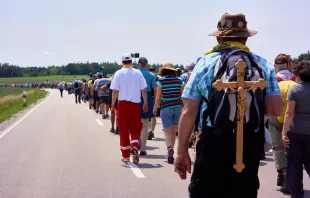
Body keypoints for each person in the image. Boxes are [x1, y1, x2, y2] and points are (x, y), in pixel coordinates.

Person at [175, 13, 283, 198]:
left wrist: (181, 152)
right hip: (249, 142)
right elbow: (275, 109)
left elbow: (188, 111)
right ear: (245, 38)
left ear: (219, 37)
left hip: (213, 141)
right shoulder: (262, 64)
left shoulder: (205, 63)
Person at [110, 53, 148, 164]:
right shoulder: (138, 73)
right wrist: (145, 103)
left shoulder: (118, 73)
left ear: (122, 62)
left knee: (124, 130)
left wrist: (113, 105)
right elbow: (144, 90)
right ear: (132, 62)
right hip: (136, 105)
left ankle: (126, 156)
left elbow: (115, 91)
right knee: (135, 128)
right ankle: (135, 145)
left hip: (123, 105)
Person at [282, 60, 310, 198]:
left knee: (294, 165)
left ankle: (297, 195)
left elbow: (289, 113)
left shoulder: (294, 89)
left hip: (295, 132)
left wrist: (284, 132)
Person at [268, 53, 295, 194]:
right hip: (292, 120)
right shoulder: (296, 79)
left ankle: (283, 175)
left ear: (275, 66)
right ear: (288, 65)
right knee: (293, 149)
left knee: (278, 148)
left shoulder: (273, 79)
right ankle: (293, 177)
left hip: (275, 118)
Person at [153, 62, 184, 164]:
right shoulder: (179, 80)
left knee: (167, 131)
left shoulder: (161, 81)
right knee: (174, 132)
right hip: (178, 107)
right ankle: (172, 149)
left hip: (165, 108)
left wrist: (155, 107)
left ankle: (169, 148)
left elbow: (158, 98)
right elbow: (182, 95)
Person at [138, 57, 157, 155]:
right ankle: (142, 148)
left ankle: (134, 143)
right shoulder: (151, 75)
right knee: (145, 125)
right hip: (148, 97)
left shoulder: (135, 73)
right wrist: (155, 102)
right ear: (147, 65)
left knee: (134, 122)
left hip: (135, 96)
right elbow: (155, 89)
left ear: (138, 64)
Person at [148, 66, 158, 140]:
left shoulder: (147, 75)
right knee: (153, 116)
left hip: (147, 96)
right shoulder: (157, 77)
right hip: (153, 97)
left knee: (146, 117)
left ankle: (149, 131)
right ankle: (152, 131)